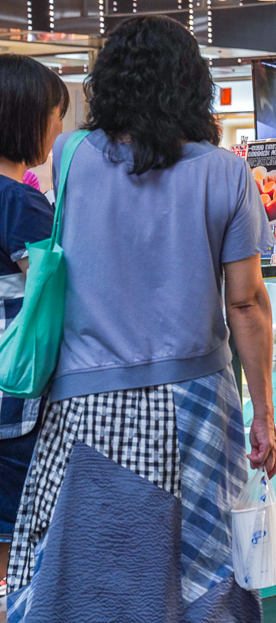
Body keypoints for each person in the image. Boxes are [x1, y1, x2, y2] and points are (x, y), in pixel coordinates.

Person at [6, 16, 276, 623]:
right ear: (192, 86)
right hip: (197, 404)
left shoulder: (71, 154)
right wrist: (263, 410)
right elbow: (245, 302)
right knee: (200, 575)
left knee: (84, 575)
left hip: (84, 401)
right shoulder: (226, 172)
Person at [0, 55, 68, 597]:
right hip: (13, 401)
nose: (59, 128)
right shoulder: (20, 203)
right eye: (54, 113)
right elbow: (50, 290)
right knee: (16, 549)